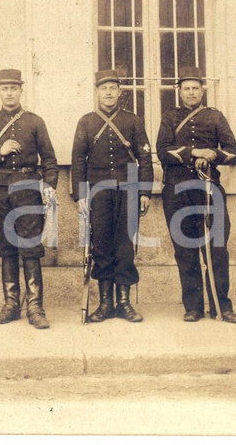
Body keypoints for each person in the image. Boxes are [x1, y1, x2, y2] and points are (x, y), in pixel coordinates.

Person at [0, 69, 58, 329]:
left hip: (28, 190)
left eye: (14, 88)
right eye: (4, 88)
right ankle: (11, 305)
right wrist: (0, 151)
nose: (9, 93)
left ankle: (35, 307)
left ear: (21, 90)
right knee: (6, 248)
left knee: (30, 248)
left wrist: (50, 186)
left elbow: (50, 159)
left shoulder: (35, 122)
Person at [156, 66, 236, 323]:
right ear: (179, 91)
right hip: (178, 190)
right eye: (186, 88)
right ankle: (193, 307)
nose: (191, 92)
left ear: (202, 90)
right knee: (186, 248)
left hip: (209, 189)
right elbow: (163, 151)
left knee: (216, 247)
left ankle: (222, 306)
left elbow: (235, 152)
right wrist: (193, 153)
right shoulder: (170, 117)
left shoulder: (215, 117)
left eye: (195, 88)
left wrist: (212, 154)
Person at [70, 69, 154, 322]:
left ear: (120, 92)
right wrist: (80, 195)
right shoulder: (86, 122)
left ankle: (124, 303)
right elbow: (77, 160)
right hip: (97, 191)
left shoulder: (133, 121)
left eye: (112, 88)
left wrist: (145, 192)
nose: (108, 93)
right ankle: (105, 304)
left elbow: (145, 158)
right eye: (103, 88)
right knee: (102, 246)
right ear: (97, 92)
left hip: (128, 189)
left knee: (125, 246)